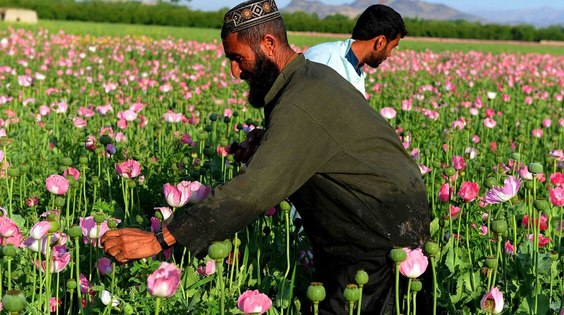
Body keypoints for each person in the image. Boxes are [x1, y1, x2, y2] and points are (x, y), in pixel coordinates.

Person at [101, 0, 430, 313]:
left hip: (382, 236)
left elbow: (255, 190)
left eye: (238, 58)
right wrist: (267, 143)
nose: (234, 71)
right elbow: (323, 146)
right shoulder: (306, 78)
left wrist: (160, 238)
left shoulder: (302, 99)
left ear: (269, 43)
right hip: (369, 223)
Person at [304, 4, 407, 97]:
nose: (389, 54)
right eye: (392, 47)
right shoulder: (322, 57)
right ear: (380, 42)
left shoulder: (356, 68)